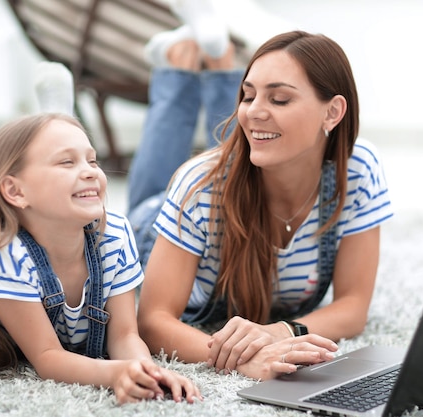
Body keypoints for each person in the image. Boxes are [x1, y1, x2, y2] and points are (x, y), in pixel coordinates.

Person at [129, 29, 393, 381]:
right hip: (156, 224)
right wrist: (240, 359)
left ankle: (217, 55)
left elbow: (354, 307)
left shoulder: (357, 170)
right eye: (247, 95)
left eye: (279, 99)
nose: (253, 112)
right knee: (161, 177)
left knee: (232, 152)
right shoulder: (198, 186)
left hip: (222, 187)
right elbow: (152, 321)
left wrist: (280, 332)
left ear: (332, 112)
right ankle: (177, 63)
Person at [0, 113, 201, 404]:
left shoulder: (115, 234)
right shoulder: (4, 258)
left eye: (92, 161)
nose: (91, 172)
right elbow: (47, 357)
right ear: (15, 191)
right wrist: (115, 374)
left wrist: (146, 373)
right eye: (67, 162)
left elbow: (124, 335)